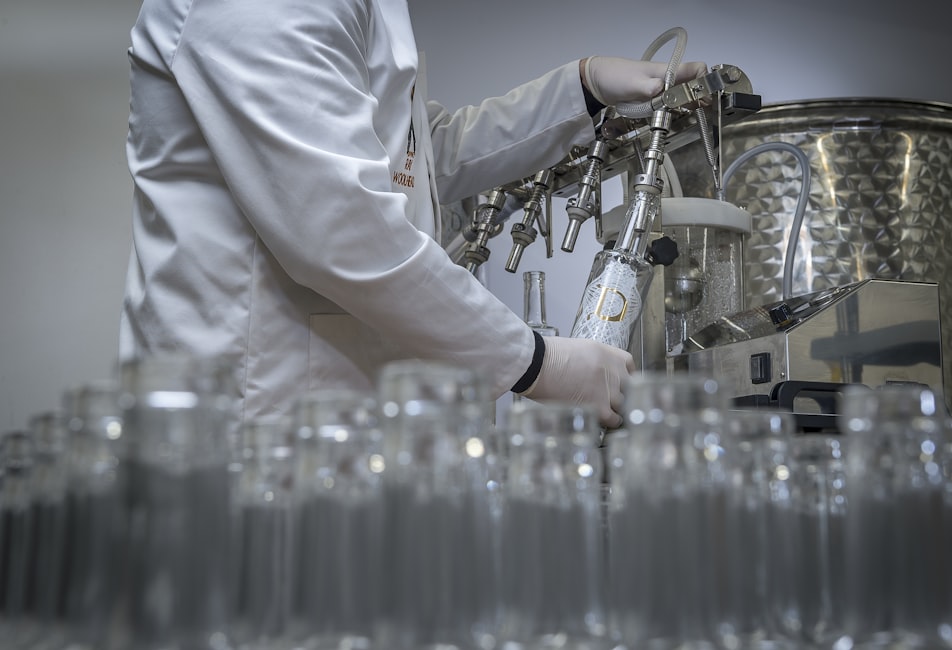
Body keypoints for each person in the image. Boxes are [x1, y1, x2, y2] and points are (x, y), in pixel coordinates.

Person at [119, 0, 706, 429]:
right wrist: (539, 363)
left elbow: (417, 155)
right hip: (256, 416)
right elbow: (339, 227)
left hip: (328, 418)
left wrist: (578, 90)